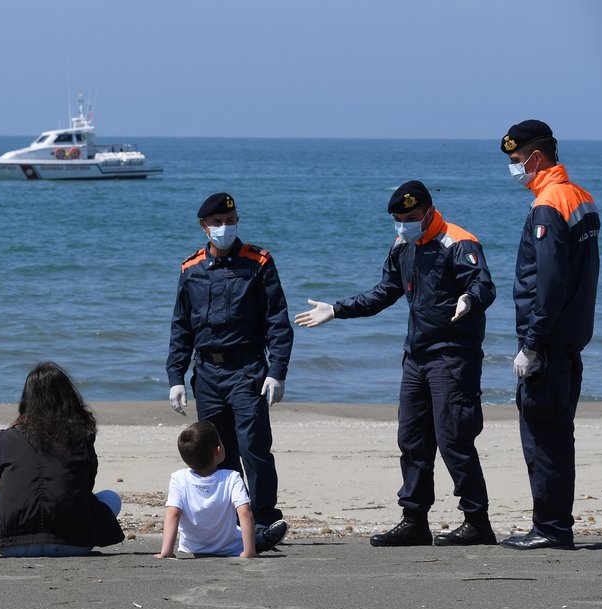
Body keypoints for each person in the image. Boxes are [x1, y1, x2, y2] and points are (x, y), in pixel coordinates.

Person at [294, 181, 497, 547]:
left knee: (454, 439)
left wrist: (470, 298)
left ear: (429, 211)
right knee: (412, 440)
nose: (404, 225)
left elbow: (484, 284)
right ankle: (414, 520)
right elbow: (384, 292)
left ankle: (477, 521)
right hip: (416, 357)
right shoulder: (402, 246)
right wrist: (336, 309)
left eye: (411, 217)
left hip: (453, 356)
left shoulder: (457, 242)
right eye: (399, 219)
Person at [498, 120, 600, 551]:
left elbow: (550, 283)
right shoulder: (580, 197)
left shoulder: (549, 204)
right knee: (558, 432)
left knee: (542, 436)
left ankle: (551, 528)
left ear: (536, 157)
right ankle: (555, 523)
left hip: (549, 342)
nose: (514, 169)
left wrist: (532, 344)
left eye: (516, 160)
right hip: (572, 338)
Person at [166, 192, 293, 529]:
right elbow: (181, 326)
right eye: (217, 222)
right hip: (206, 372)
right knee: (218, 452)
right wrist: (176, 376)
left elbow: (278, 321)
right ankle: (236, 521)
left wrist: (277, 371)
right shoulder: (191, 267)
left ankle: (265, 518)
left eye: (230, 221)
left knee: (254, 448)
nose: (224, 227)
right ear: (204, 226)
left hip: (247, 369)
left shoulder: (258, 262)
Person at [0, 362, 124, 557]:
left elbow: (6, 484)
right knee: (111, 497)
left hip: (12, 544)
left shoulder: (7, 437)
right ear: (68, 398)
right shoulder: (81, 436)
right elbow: (86, 484)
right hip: (74, 543)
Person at [155, 421, 289, 558]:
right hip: (230, 548)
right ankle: (260, 541)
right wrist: (249, 552)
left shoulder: (178, 478)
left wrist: (166, 552)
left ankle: (257, 540)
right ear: (218, 450)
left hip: (192, 548)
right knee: (248, 536)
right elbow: (244, 512)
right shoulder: (231, 477)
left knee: (238, 530)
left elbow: (173, 514)